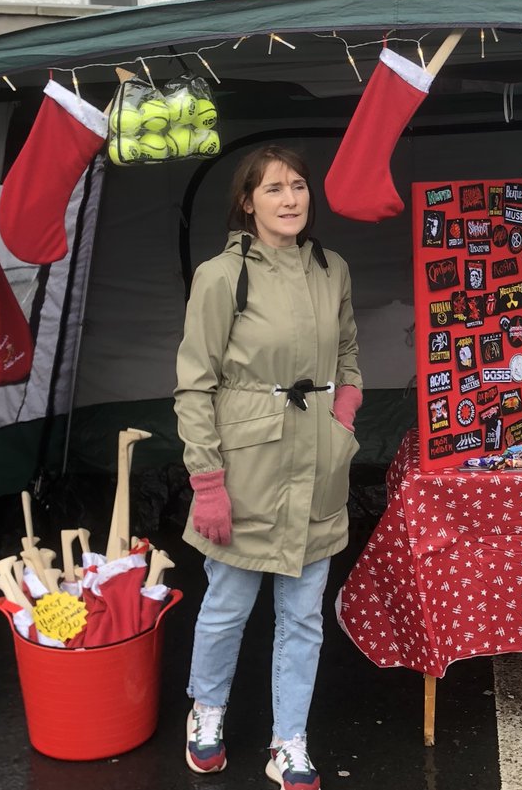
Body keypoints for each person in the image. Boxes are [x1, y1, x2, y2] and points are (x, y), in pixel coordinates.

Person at [174, 145, 362, 790]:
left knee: (304, 613)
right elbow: (195, 386)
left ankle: (289, 739)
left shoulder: (330, 267)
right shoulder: (222, 276)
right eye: (274, 188)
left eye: (299, 186)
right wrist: (206, 482)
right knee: (227, 604)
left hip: (318, 460)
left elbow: (347, 352)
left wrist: (346, 412)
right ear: (247, 202)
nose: (290, 199)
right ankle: (208, 709)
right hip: (247, 464)